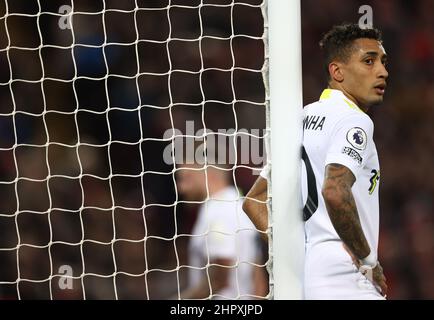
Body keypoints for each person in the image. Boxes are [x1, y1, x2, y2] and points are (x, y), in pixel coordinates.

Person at [243, 23, 388, 299]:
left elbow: (254, 200)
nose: (382, 71)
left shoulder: (300, 118)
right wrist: (368, 262)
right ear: (337, 71)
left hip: (312, 274)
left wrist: (296, 255)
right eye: (369, 61)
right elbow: (334, 191)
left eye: (382, 61)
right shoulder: (355, 120)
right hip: (349, 276)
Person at [175, 148, 259, 299]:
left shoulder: (219, 211)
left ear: (208, 174)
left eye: (186, 178)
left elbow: (220, 276)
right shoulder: (239, 205)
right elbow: (258, 278)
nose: (181, 188)